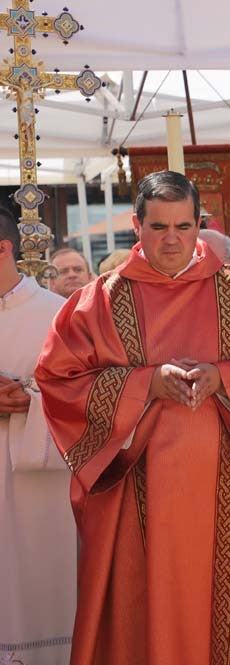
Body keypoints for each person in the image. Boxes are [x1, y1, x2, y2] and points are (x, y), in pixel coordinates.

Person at [35, 170, 230, 665]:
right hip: (138, 493)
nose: (171, 240)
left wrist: (225, 377)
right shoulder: (101, 299)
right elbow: (59, 381)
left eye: (183, 227)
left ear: (198, 224)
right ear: (137, 226)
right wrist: (144, 385)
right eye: (159, 226)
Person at [0, 210, 76, 665]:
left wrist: (31, 402)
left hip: (38, 494)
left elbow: (92, 397)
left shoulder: (61, 315)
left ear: (3, 248)